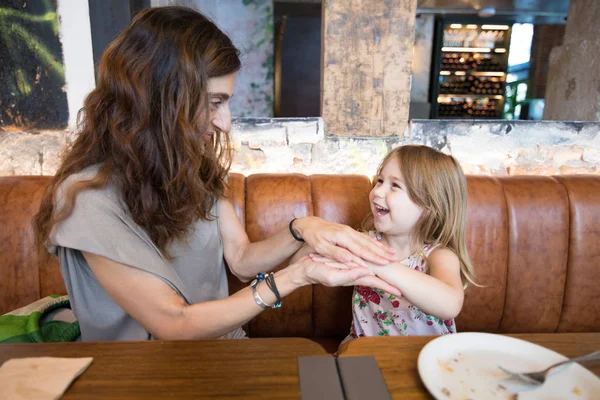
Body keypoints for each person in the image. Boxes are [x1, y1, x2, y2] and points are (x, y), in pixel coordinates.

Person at [32, 6, 397, 342]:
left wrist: (304, 228)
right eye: (213, 102)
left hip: (222, 352)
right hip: (142, 375)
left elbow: (240, 260)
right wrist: (297, 276)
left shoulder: (194, 168)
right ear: (159, 99)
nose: (224, 123)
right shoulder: (85, 198)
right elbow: (172, 323)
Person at [299, 145, 477, 342]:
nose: (377, 191)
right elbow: (298, 263)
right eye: (380, 181)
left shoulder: (438, 256)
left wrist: (376, 263)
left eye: (395, 186)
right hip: (363, 351)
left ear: (429, 206)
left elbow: (450, 304)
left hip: (424, 358)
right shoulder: (363, 243)